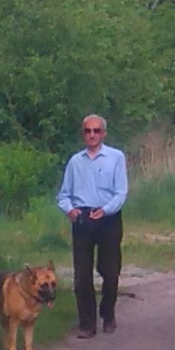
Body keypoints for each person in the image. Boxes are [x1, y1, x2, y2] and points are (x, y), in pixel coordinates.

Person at [56, 113, 127, 338]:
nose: (92, 135)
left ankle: (108, 313)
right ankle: (87, 323)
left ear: (103, 134)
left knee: (110, 270)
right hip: (83, 218)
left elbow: (121, 191)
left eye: (96, 131)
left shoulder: (116, 157)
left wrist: (105, 210)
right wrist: (69, 209)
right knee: (82, 274)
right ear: (83, 134)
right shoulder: (75, 161)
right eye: (88, 131)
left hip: (108, 216)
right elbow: (63, 194)